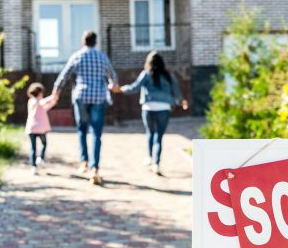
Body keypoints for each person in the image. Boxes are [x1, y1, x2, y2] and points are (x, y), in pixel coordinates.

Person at [52, 31, 118, 185]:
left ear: (83, 42)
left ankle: (84, 162)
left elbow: (64, 75)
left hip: (81, 96)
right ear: (95, 42)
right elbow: (113, 76)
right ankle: (95, 169)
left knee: (82, 129)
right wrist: (113, 85)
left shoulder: (77, 56)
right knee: (96, 133)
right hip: (98, 97)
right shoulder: (102, 57)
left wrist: (56, 91)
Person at [110, 51, 188, 176]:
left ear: (148, 62)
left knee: (150, 133)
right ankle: (156, 163)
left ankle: (150, 158)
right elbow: (176, 91)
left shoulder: (146, 74)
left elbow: (135, 87)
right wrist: (181, 102)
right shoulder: (168, 75)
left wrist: (120, 89)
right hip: (164, 108)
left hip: (148, 108)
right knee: (159, 137)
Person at [24, 82, 56, 175]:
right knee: (42, 144)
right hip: (38, 128)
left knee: (35, 147)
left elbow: (45, 107)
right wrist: (53, 96)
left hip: (32, 128)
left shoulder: (33, 102)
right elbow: (43, 102)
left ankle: (36, 163)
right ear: (39, 92)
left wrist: (53, 101)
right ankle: (38, 161)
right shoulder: (35, 101)